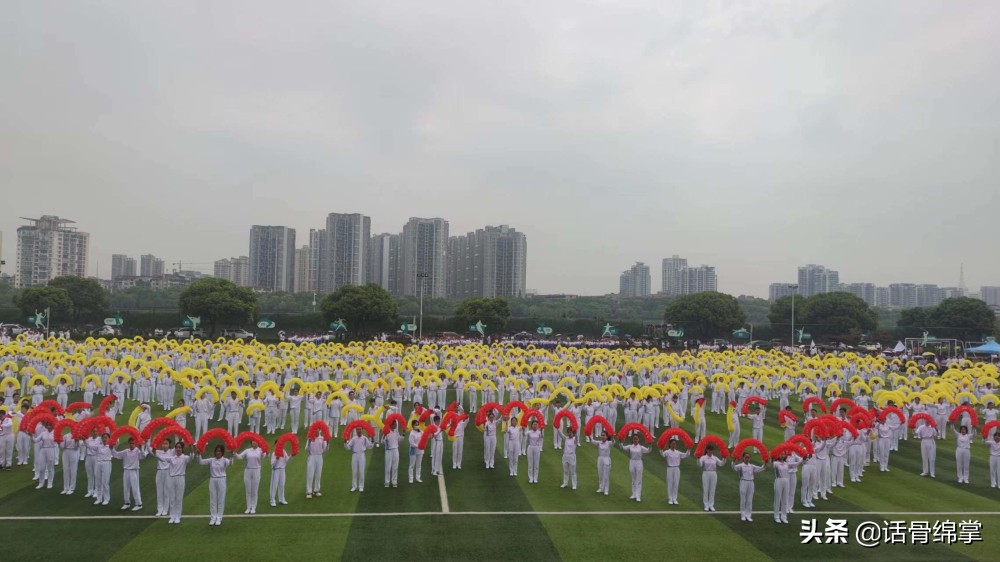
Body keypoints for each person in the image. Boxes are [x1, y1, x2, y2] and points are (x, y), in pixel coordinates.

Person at [156, 439, 192, 524]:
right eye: (177, 448)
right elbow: (161, 458)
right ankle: (172, 516)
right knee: (172, 498)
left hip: (180, 478)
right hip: (171, 478)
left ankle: (178, 516)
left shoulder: (185, 458)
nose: (178, 449)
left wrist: (191, 449)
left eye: (179, 448)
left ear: (182, 449)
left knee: (178, 498)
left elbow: (191, 457)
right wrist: (154, 452)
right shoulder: (172, 458)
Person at [199, 444, 232, 526]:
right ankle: (213, 517)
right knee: (213, 499)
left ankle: (219, 517)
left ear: (222, 452)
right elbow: (201, 462)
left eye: (219, 451)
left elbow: (231, 463)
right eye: (217, 451)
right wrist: (198, 454)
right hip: (213, 480)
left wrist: (232, 455)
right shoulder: (211, 460)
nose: (218, 453)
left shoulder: (224, 460)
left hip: (222, 479)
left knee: (221, 499)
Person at [111, 437, 147, 511]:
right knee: (126, 487)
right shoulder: (125, 451)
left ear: (135, 444)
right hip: (126, 471)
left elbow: (143, 456)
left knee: (135, 488)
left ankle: (139, 504)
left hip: (134, 471)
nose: (132, 445)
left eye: (133, 443)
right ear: (128, 444)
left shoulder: (137, 451)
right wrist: (111, 449)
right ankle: (127, 503)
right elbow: (117, 455)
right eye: (130, 443)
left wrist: (141, 448)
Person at [733, 452, 767, 522]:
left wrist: (765, 463)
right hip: (743, 482)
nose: (747, 459)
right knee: (743, 499)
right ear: (743, 458)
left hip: (751, 483)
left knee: (749, 500)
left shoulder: (752, 466)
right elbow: (734, 468)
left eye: (748, 457)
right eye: (746, 457)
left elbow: (760, 469)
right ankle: (743, 515)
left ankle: (748, 515)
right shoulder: (740, 466)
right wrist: (733, 461)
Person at [234, 439, 264, 513]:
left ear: (258, 443)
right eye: (253, 441)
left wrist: (267, 452)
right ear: (251, 443)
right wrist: (234, 453)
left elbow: (265, 456)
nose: (254, 442)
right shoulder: (247, 450)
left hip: (256, 470)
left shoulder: (260, 450)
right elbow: (239, 457)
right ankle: (248, 507)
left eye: (255, 441)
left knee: (254, 490)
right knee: (248, 490)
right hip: (248, 471)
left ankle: (253, 507)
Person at [621, 433, 651, 502]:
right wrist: (621, 441)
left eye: (636, 439)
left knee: (639, 479)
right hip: (632, 462)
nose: (635, 440)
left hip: (639, 462)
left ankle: (638, 495)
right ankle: (634, 494)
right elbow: (623, 447)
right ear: (632, 439)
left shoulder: (641, 447)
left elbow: (648, 450)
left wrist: (650, 445)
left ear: (638, 440)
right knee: (633, 478)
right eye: (634, 439)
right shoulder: (630, 446)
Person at [772, 452, 801, 524]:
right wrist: (771, 458)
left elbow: (795, 464)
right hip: (779, 480)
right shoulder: (776, 463)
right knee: (777, 499)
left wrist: (802, 459)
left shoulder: (787, 464)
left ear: (785, 455)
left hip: (786, 481)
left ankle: (784, 516)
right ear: (778, 455)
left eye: (783, 454)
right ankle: (776, 516)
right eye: (781, 454)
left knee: (785, 499)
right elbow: (771, 464)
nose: (782, 455)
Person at [660, 438, 689, 505]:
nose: (674, 445)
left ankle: (674, 498)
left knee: (676, 484)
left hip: (676, 469)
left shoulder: (678, 452)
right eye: (672, 444)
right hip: (670, 468)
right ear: (670, 444)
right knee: (670, 484)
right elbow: (662, 454)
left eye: (675, 444)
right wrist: (661, 448)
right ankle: (670, 498)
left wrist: (688, 449)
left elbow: (685, 455)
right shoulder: (667, 452)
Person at [697, 446, 726, 512]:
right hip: (706, 473)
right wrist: (698, 459)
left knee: (712, 489)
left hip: (713, 474)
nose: (711, 452)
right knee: (706, 489)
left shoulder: (714, 458)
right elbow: (700, 465)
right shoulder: (703, 457)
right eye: (709, 450)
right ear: (707, 450)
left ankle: (711, 505)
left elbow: (721, 464)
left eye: (712, 450)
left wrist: (724, 458)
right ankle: (706, 505)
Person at [345, 426, 373, 492]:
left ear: (362, 430)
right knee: (354, 471)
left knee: (361, 471)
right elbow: (348, 447)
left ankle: (361, 486)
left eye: (359, 429)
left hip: (362, 455)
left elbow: (370, 446)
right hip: (354, 455)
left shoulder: (364, 438)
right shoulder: (353, 439)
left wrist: (372, 439)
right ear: (356, 430)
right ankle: (354, 486)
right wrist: (345, 442)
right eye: (357, 430)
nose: (358, 431)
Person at [32, 421, 57, 489]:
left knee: (50, 468)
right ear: (46, 426)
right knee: (41, 468)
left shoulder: (55, 433)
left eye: (50, 425)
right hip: (43, 450)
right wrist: (31, 435)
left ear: (53, 426)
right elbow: (36, 440)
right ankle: (41, 483)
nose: (49, 427)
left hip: (51, 450)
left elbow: (59, 441)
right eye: (47, 425)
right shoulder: (43, 433)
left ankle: (50, 483)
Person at [92, 432, 114, 505]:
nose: (104, 439)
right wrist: (84, 440)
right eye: (103, 438)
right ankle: (99, 498)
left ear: (109, 439)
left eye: (106, 438)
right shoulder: (98, 446)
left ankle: (106, 498)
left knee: (105, 482)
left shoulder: (110, 446)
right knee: (98, 482)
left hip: (107, 463)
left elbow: (116, 443)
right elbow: (90, 446)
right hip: (98, 463)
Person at [306, 431, 329, 498]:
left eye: (317, 430)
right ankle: (309, 492)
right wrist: (309, 442)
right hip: (312, 457)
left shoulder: (322, 438)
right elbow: (306, 449)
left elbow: (325, 449)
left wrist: (328, 442)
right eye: (315, 430)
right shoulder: (310, 438)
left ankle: (316, 490)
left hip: (319, 457)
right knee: (310, 474)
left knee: (318, 474)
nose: (316, 432)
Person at [153, 438, 172, 516]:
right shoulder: (159, 452)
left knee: (166, 492)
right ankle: (159, 509)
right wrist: (147, 442)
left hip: (168, 472)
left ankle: (165, 509)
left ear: (169, 445)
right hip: (159, 472)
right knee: (159, 491)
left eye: (166, 443)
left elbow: (180, 448)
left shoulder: (172, 452)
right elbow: (151, 450)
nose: (164, 445)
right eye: (163, 443)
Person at [59, 427, 81, 494]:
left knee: (73, 470)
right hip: (65, 452)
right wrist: (58, 442)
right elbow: (62, 447)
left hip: (74, 452)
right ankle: (65, 488)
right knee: (66, 470)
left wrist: (77, 441)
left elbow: (77, 447)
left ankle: (72, 488)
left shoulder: (78, 435)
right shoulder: (66, 436)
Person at [592, 431, 614, 495]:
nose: (602, 437)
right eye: (602, 435)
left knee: (606, 475)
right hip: (600, 459)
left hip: (606, 458)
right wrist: (589, 435)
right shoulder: (599, 443)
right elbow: (593, 441)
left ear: (607, 437)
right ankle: (601, 488)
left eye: (604, 435)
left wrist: (612, 436)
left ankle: (606, 490)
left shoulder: (609, 443)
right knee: (600, 474)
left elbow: (613, 442)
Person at [383, 420, 403, 487]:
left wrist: (404, 433)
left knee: (395, 467)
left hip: (396, 450)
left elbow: (400, 439)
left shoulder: (396, 432)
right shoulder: (387, 432)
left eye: (396, 424)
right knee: (388, 467)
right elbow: (382, 442)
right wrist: (384, 436)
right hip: (388, 451)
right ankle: (387, 482)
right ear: (391, 425)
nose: (396, 425)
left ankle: (394, 481)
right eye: (395, 424)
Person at [525, 420, 543, 484]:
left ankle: (535, 478)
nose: (535, 426)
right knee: (530, 463)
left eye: (536, 424)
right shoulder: (529, 432)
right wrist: (523, 428)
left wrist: (541, 431)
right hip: (530, 447)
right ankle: (530, 478)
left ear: (537, 426)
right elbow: (524, 434)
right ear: (531, 425)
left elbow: (541, 438)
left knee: (536, 464)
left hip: (537, 448)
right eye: (534, 424)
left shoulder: (539, 432)